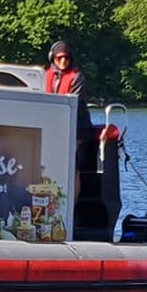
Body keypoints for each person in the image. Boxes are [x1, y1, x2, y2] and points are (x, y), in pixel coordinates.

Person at [44, 40, 93, 200]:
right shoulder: (46, 76)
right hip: (55, 130)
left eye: (66, 57)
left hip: (78, 130)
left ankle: (72, 210)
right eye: (59, 58)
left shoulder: (77, 77)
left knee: (73, 170)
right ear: (53, 58)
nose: (63, 61)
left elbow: (74, 103)